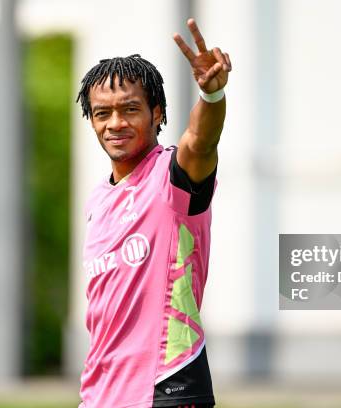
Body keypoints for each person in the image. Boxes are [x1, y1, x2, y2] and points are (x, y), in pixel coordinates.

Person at [75, 18, 231, 408]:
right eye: (102, 113)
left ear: (157, 114)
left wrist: (212, 97)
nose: (115, 123)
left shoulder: (173, 177)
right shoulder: (98, 199)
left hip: (168, 386)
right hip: (101, 393)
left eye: (130, 109)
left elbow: (201, 140)